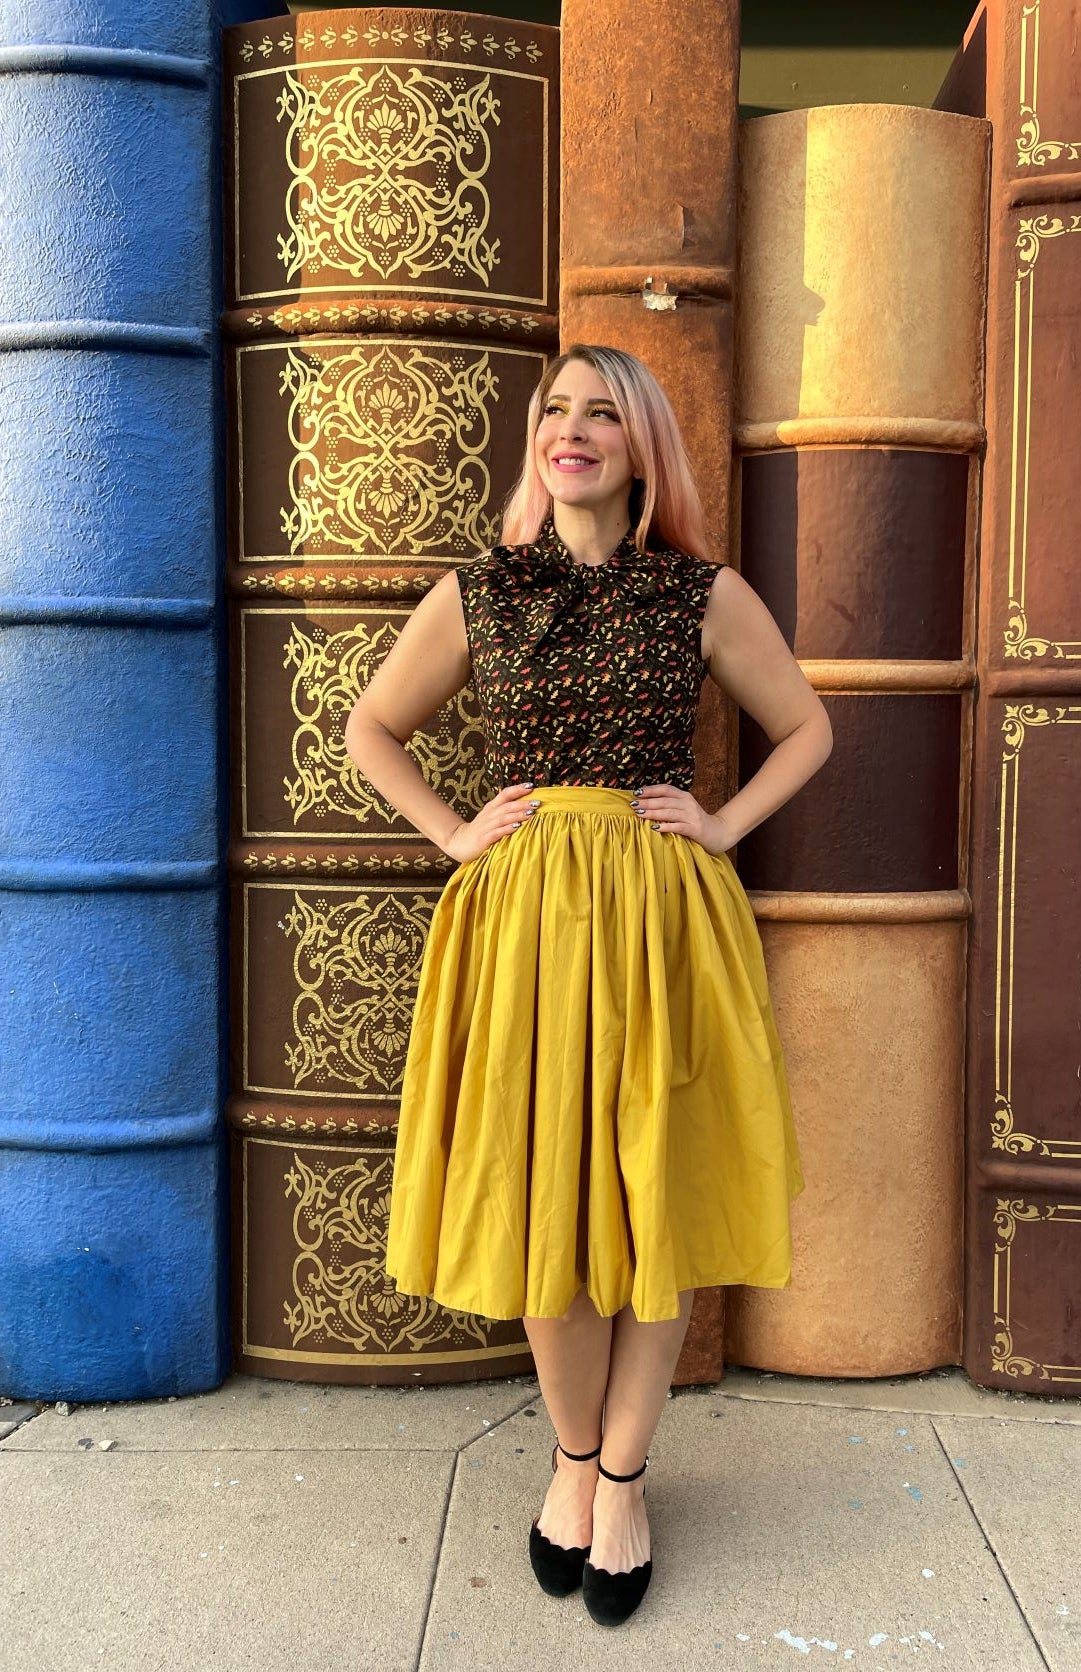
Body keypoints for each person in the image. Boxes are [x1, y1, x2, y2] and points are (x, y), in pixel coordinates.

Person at [344, 343, 831, 1626]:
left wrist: (720, 825)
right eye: (555, 409)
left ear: (641, 446)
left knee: (650, 1198)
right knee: (548, 1210)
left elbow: (809, 729)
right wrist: (454, 832)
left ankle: (625, 1478)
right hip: (523, 928)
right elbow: (370, 728)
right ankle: (569, 1464)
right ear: (536, 443)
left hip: (661, 921)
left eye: (602, 412)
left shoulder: (696, 593)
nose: (572, 429)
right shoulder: (483, 591)